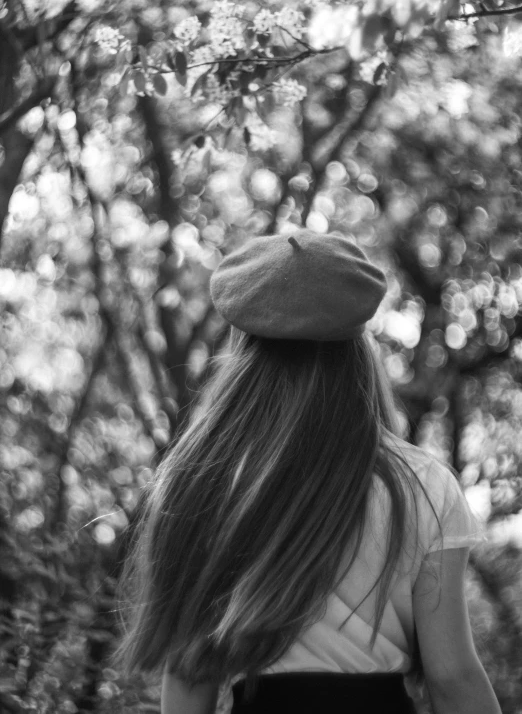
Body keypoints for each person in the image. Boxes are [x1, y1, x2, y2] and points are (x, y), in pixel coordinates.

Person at [115, 230, 501, 714]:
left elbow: (191, 674)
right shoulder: (421, 483)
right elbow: (452, 677)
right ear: (358, 348)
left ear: (245, 351)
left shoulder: (204, 479)